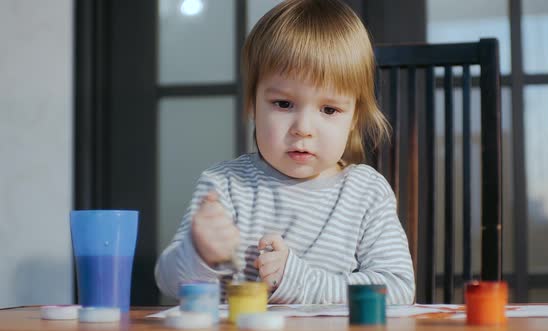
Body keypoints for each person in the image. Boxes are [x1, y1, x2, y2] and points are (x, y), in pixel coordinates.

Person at [155, 0, 415, 305]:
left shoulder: (365, 192)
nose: (303, 128)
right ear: (252, 104)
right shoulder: (225, 184)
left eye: (329, 109)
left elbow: (397, 289)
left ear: (354, 118)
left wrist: (298, 280)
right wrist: (200, 253)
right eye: (283, 104)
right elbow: (168, 281)